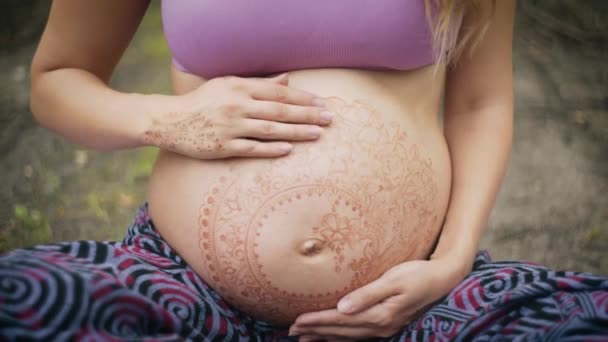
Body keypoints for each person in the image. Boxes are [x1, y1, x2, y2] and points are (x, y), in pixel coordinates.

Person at [1, 0, 607, 341]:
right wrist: (168, 118)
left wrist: (448, 262)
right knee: (19, 301)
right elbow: (56, 81)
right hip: (186, 286)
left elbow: (481, 103)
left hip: (407, 301)